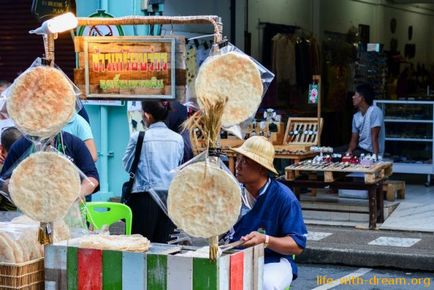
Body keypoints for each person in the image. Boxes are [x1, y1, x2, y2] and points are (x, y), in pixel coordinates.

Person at [228, 136, 307, 290]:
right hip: (234, 256)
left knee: (267, 284)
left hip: (273, 260)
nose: (238, 166)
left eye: (245, 161)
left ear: (262, 168)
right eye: (238, 159)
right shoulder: (231, 192)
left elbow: (297, 245)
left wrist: (266, 240)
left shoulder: (284, 198)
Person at [122, 100, 184, 243]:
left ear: (147, 115)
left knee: (141, 246)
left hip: (144, 197)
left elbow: (127, 165)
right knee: (165, 247)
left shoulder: (139, 137)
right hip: (169, 198)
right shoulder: (178, 139)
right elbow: (178, 165)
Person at [0, 131, 99, 210]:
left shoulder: (73, 143)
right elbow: (4, 181)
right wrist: (24, 187)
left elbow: (92, 178)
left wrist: (75, 195)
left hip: (69, 213)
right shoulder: (21, 145)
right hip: (30, 213)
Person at [346, 83, 385, 158]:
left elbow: (375, 137)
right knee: (336, 152)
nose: (353, 97)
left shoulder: (374, 111)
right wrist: (349, 152)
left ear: (361, 98)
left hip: (370, 152)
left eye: (355, 95)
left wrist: (375, 157)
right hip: (360, 149)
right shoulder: (356, 116)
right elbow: (354, 140)